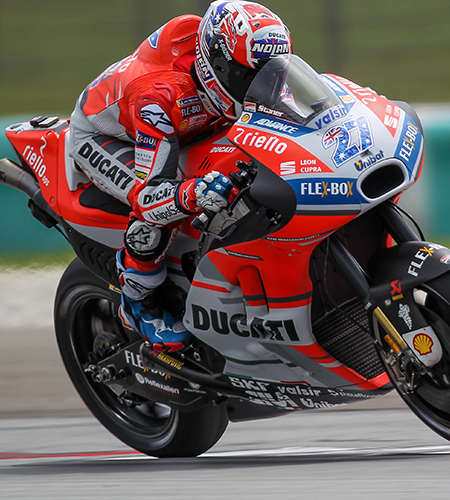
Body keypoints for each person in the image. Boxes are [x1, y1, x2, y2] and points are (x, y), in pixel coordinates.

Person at [68, 1, 292, 352]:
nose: (262, 85)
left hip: (192, 124)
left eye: (273, 74)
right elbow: (149, 197)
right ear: (217, 66)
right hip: (106, 136)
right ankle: (139, 303)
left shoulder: (234, 69)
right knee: (160, 215)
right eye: (249, 77)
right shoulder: (158, 99)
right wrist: (194, 192)